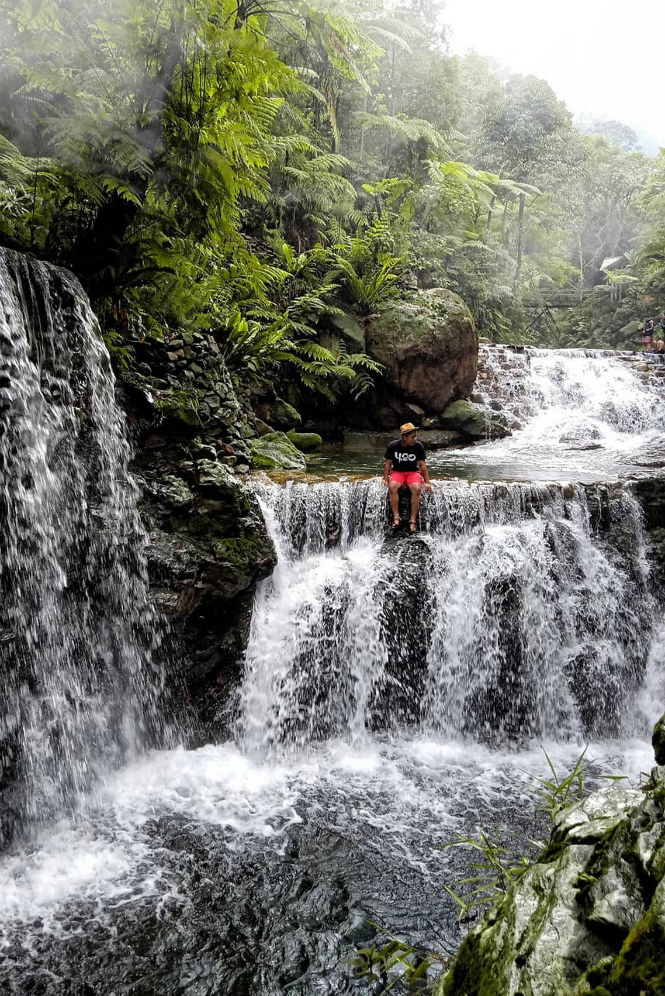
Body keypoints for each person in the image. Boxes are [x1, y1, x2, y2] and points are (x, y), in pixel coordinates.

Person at [382, 423, 433, 533]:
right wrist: (385, 478)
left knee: (416, 488)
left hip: (412, 472)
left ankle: (413, 520)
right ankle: (396, 517)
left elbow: (422, 465)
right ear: (404, 437)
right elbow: (388, 464)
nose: (415, 439)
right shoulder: (393, 446)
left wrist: (427, 482)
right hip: (398, 472)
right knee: (392, 486)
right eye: (412, 437)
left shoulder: (418, 446)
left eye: (416, 436)